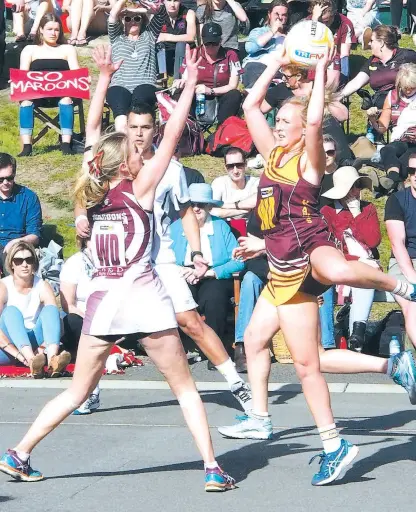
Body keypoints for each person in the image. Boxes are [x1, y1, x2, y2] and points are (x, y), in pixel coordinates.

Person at [0, 47, 237, 492]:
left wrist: (104, 79)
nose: (139, 150)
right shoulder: (140, 188)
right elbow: (168, 141)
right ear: (123, 161)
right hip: (143, 299)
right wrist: (186, 86)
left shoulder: (93, 193)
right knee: (185, 388)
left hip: (103, 302)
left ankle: (19, 451)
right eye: (132, 147)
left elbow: (92, 132)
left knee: (76, 391)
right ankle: (211, 468)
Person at [216, 46, 416, 486]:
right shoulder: (270, 155)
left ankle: (401, 288)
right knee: (256, 340)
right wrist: (279, 56)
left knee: (309, 361)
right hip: (278, 264)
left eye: (283, 120)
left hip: (306, 252)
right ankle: (263, 418)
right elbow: (251, 103)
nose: (276, 124)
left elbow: (310, 121)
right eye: (278, 120)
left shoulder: (308, 160)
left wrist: (321, 72)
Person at [76, 45, 253, 411]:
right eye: (133, 127)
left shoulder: (167, 169)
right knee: (103, 330)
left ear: (154, 128)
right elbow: (92, 132)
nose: (139, 135)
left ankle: (236, 384)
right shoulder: (110, 161)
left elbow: (187, 212)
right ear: (125, 128)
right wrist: (105, 78)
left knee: (190, 321)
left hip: (160, 258)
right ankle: (88, 390)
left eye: (145, 128)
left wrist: (199, 252)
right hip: (120, 263)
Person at [171, 183, 245, 343]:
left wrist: (210, 272)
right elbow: (162, 259)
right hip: (183, 274)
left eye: (201, 204)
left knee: (214, 298)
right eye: (192, 204)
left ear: (209, 206)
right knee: (178, 295)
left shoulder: (220, 226)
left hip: (214, 274)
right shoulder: (175, 227)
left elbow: (239, 260)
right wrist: (181, 271)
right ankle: (179, 346)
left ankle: (215, 348)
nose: (196, 209)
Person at [321, 166, 380, 352]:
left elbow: (373, 241)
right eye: (351, 187)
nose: (356, 191)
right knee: (357, 273)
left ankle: (357, 333)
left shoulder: (368, 209)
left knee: (365, 276)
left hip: (365, 263)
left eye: (358, 186)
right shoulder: (327, 212)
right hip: (339, 264)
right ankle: (347, 336)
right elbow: (326, 244)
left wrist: (357, 214)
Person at [0, 241, 70, 377]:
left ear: (34, 263)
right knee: (11, 312)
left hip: (35, 342)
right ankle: (32, 361)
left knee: (52, 310)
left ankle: (52, 360)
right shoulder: (3, 286)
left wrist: (42, 349)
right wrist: (20, 356)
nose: (24, 264)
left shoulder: (42, 285)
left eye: (29, 260)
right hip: (9, 347)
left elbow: (56, 322)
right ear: (12, 264)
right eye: (19, 260)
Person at [262, 63, 353, 164]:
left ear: (298, 76)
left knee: (327, 121)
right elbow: (259, 109)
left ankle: (344, 161)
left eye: (287, 76)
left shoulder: (318, 88)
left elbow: (344, 115)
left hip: (318, 129)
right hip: (293, 133)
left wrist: (320, 98)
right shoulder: (280, 90)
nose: (283, 78)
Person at [17, 14, 79, 157]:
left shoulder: (67, 49)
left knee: (66, 100)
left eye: (56, 30)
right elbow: (23, 75)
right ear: (41, 30)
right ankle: (27, 146)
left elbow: (76, 73)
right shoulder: (29, 50)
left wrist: (84, 78)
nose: (53, 33)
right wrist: (16, 82)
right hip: (37, 93)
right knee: (25, 102)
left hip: (63, 93)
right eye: (49, 29)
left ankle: (66, 144)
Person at [106, 0, 169, 132]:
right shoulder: (117, 37)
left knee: (140, 100)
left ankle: (138, 140)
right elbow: (112, 15)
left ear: (143, 21)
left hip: (145, 84)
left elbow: (161, 13)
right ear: (123, 21)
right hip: (120, 85)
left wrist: (137, 11)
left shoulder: (149, 35)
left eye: (137, 19)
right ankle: (123, 142)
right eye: (128, 18)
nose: (132, 21)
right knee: (120, 108)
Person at [175, 22, 242, 125]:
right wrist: (181, 82)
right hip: (196, 94)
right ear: (202, 41)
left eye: (215, 43)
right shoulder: (193, 54)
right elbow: (185, 79)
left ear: (221, 41)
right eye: (207, 43)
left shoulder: (231, 55)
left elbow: (233, 85)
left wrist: (210, 91)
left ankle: (222, 130)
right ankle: (190, 127)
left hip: (221, 94)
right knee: (179, 93)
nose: (211, 47)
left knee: (235, 94)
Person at [366, 63, 416, 194]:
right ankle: (394, 183)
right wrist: (372, 119)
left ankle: (386, 184)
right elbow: (382, 128)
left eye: (412, 87)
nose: (409, 91)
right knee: (387, 150)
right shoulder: (392, 96)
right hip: (400, 138)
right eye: (405, 87)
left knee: (408, 158)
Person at [340, 25, 416, 110]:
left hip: (404, 108)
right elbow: (357, 82)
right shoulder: (372, 61)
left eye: (372, 41)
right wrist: (339, 96)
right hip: (380, 109)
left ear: (381, 43)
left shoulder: (406, 56)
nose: (369, 43)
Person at [385, 153, 416, 348]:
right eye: (412, 171)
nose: (415, 175)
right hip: (404, 261)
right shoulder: (396, 200)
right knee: (413, 303)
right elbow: (398, 244)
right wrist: (413, 278)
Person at [234, 210, 268, 372]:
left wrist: (264, 246)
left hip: (292, 266)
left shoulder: (294, 209)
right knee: (249, 279)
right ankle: (241, 346)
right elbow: (251, 256)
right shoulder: (260, 213)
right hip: (264, 267)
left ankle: (327, 346)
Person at [0, 153, 42, 272]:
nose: (5, 182)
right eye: (0, 179)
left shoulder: (28, 197)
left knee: (14, 263)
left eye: (9, 178)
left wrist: (16, 242)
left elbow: (35, 236)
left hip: (17, 245)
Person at [309, 0, 357, 85]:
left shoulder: (345, 23)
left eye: (326, 21)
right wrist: (315, 21)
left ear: (334, 14)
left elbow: (344, 55)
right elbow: (306, 46)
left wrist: (344, 78)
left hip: (333, 60)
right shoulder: (309, 22)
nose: (324, 25)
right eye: (321, 21)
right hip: (312, 57)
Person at [242, 0, 287, 89]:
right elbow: (250, 48)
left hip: (279, 72)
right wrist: (272, 31)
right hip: (257, 68)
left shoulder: (290, 36)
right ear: (269, 14)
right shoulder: (259, 31)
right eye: (276, 14)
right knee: (254, 68)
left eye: (284, 15)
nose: (280, 18)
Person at [211, 147, 259, 219]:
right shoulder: (219, 183)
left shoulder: (255, 182)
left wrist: (226, 206)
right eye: (230, 166)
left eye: (239, 165)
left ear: (245, 164)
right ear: (225, 168)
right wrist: (243, 210)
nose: (235, 171)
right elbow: (212, 211)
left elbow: (259, 199)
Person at [158, 0, 197, 78]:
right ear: (163, 1)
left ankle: (178, 79)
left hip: (184, 52)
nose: (172, 4)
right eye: (169, 0)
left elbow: (191, 37)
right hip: (166, 51)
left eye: (175, 1)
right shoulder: (158, 14)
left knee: (181, 45)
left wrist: (166, 37)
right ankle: (161, 78)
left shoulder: (188, 13)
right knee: (159, 46)